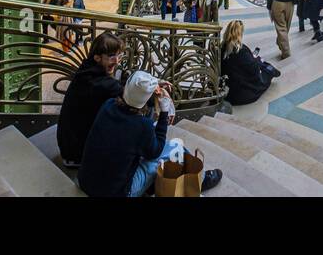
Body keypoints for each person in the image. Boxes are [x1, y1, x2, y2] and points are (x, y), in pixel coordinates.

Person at [77, 70, 221, 197]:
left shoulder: (108, 105)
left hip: (86, 181)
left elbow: (134, 99)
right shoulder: (141, 126)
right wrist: (164, 113)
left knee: (151, 148)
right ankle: (199, 180)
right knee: (175, 148)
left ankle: (188, 179)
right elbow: (155, 151)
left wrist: (154, 85)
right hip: (118, 193)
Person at [56, 32, 124, 164]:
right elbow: (134, 98)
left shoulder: (86, 70)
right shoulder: (101, 84)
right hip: (78, 154)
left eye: (119, 56)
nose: (116, 61)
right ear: (97, 58)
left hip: (69, 147)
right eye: (111, 56)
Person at [220, 20, 280, 105]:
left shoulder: (222, 47)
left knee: (260, 63)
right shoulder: (241, 50)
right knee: (265, 71)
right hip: (242, 94)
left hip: (228, 91)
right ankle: (274, 71)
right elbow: (254, 70)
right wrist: (255, 59)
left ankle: (272, 70)